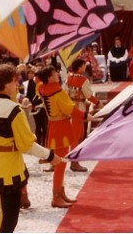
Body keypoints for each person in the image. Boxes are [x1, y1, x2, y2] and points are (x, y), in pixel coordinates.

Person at [0, 64, 62, 232]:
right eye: (14, 81)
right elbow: (26, 145)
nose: (17, 84)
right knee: (9, 219)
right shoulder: (14, 110)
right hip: (10, 167)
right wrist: (50, 155)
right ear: (5, 84)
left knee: (6, 216)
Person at [36, 65, 86, 209]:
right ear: (50, 77)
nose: (57, 74)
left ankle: (60, 192)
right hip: (61, 127)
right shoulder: (57, 91)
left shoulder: (42, 88)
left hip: (53, 125)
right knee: (61, 163)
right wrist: (84, 115)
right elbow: (69, 109)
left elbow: (37, 80)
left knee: (61, 162)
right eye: (54, 73)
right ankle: (56, 196)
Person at [66, 58, 103, 172]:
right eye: (83, 65)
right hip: (79, 108)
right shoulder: (83, 80)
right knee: (77, 136)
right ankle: (74, 162)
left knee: (74, 135)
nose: (85, 67)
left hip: (70, 106)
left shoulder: (69, 77)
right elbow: (89, 96)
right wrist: (98, 103)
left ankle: (74, 160)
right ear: (79, 67)